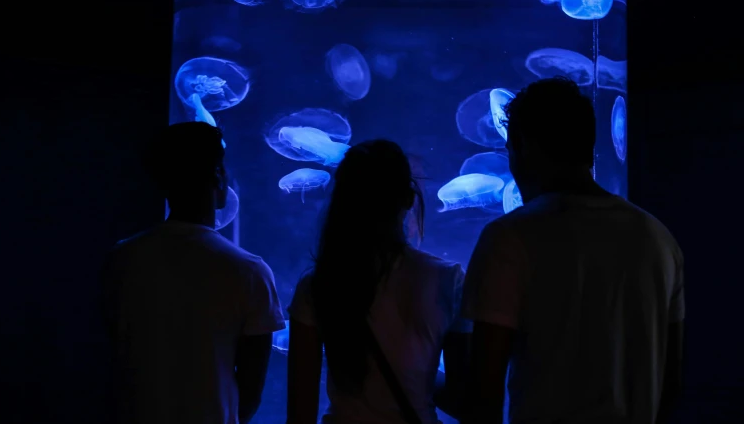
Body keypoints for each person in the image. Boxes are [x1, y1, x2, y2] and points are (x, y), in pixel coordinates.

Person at [461, 77, 685, 424]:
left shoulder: (508, 239)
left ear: (522, 147)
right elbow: (672, 383)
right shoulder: (658, 238)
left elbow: (484, 394)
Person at [101, 122, 285, 424]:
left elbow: (116, 355)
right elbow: (251, 389)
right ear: (218, 178)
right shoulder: (250, 271)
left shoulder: (121, 260)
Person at [287, 139, 471, 424]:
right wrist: (416, 375)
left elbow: (300, 412)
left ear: (343, 199)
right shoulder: (449, 281)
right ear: (409, 199)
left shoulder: (316, 286)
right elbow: (464, 400)